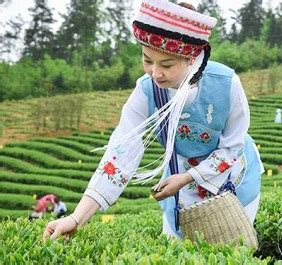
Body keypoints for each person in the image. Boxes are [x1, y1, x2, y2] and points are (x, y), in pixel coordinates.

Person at [43, 0, 263, 241]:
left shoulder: (225, 83)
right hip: (180, 182)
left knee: (231, 248)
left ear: (191, 58)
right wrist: (76, 218)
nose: (155, 73)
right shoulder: (147, 91)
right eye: (147, 60)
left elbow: (233, 146)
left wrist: (189, 178)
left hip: (231, 177)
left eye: (166, 64)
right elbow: (120, 154)